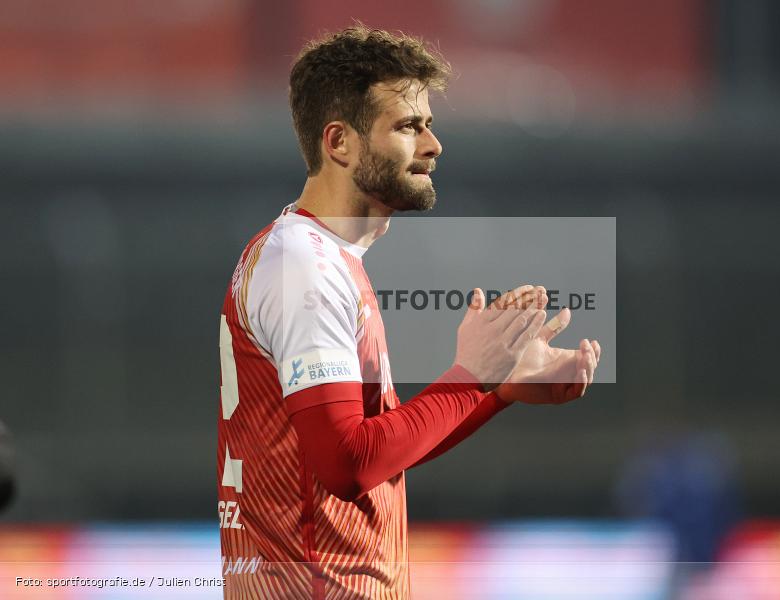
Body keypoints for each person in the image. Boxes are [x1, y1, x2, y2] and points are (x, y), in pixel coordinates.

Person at [217, 25, 601, 599]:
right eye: (407, 126)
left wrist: (492, 389)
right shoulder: (304, 266)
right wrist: (470, 375)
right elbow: (347, 464)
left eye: (429, 124)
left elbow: (381, 451)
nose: (433, 145)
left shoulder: (322, 257)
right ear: (339, 143)